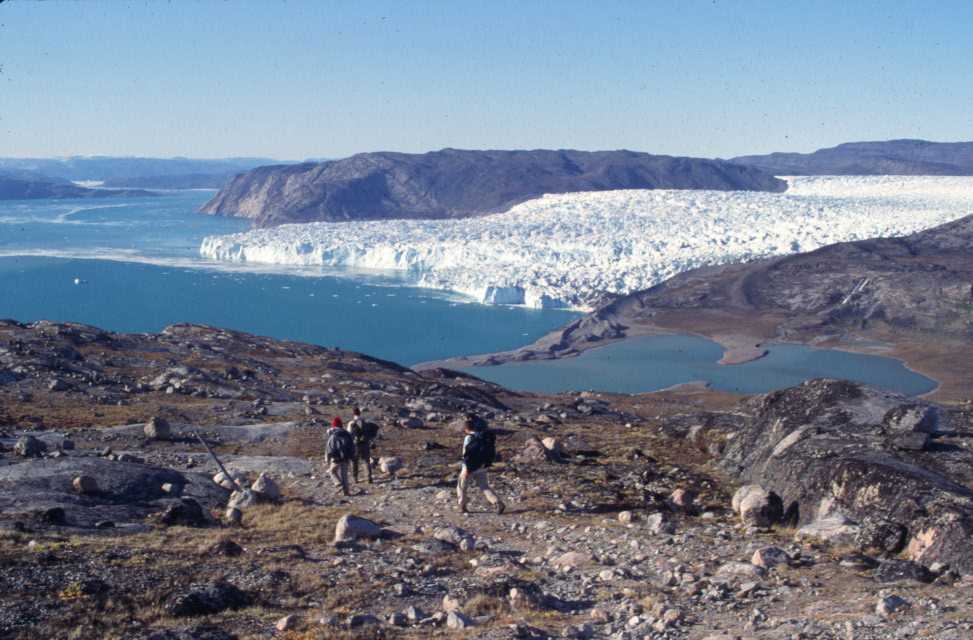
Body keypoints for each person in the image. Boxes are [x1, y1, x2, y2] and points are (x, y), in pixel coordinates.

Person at [457, 413, 505, 514]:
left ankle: (462, 507)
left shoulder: (469, 438)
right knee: (484, 486)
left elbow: (467, 455)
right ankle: (497, 502)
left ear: (466, 429)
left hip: (469, 467)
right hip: (482, 466)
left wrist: (466, 469)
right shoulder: (483, 437)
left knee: (462, 487)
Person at [325, 416, 354, 496]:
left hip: (336, 458)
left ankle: (338, 482)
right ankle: (346, 492)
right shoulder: (347, 434)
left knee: (332, 471)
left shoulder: (333, 435)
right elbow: (352, 446)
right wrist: (352, 457)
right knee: (344, 475)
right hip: (346, 457)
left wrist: (327, 459)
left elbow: (329, 448)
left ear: (333, 425)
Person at [347, 406, 376, 484]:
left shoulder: (351, 423)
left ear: (353, 413)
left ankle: (355, 478)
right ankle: (369, 478)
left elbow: (349, 434)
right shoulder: (365, 422)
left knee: (354, 461)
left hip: (355, 445)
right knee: (366, 461)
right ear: (360, 413)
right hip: (365, 444)